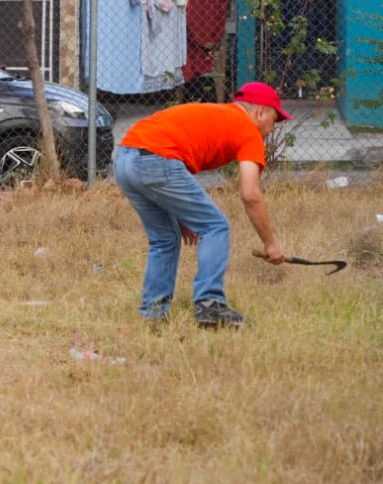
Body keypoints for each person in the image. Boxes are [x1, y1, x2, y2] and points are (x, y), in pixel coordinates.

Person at [112, 81, 290, 329]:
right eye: (274, 119)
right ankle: (210, 305)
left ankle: (153, 313)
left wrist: (184, 216)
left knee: (164, 239)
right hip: (157, 159)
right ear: (260, 112)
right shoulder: (248, 131)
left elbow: (173, 152)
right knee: (215, 226)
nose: (273, 128)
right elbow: (250, 194)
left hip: (124, 159)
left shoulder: (216, 114)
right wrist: (270, 243)